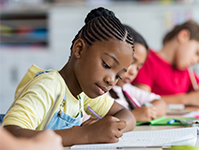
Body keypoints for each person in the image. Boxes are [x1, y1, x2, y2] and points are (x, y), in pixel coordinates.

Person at [2, 7, 136, 146]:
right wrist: (88, 134)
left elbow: (126, 114)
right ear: (79, 49)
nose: (111, 80)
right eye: (107, 65)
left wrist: (110, 129)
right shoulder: (49, 86)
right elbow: (11, 133)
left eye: (118, 76)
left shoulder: (82, 94)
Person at [132, 20, 199, 106]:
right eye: (197, 53)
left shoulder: (186, 71)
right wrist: (186, 99)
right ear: (184, 36)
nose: (195, 61)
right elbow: (140, 101)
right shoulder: (147, 59)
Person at [109, 25, 167, 122]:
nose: (133, 72)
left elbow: (161, 103)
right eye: (131, 62)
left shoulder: (125, 89)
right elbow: (98, 123)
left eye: (138, 67)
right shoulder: (100, 92)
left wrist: (147, 111)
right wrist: (134, 116)